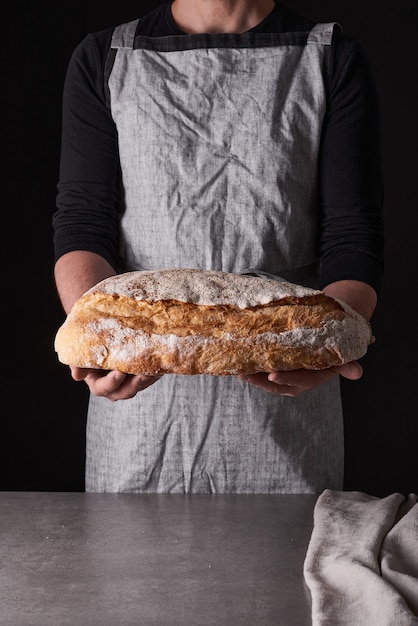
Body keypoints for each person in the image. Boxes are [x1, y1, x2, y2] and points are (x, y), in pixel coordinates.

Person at [52, 0, 384, 493]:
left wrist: (326, 346)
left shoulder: (329, 55)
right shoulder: (107, 55)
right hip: (141, 402)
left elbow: (353, 233)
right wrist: (97, 341)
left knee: (281, 567)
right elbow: (84, 223)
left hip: (285, 392)